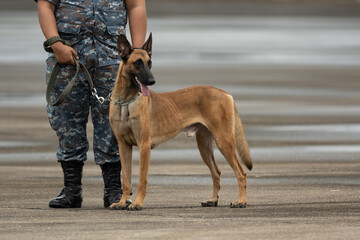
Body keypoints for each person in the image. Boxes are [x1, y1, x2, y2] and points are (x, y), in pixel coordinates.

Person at [35, 0, 147, 208]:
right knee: (66, 122)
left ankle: (114, 190)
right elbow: (45, 5)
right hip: (68, 60)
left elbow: (136, 6)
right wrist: (56, 44)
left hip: (112, 61)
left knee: (114, 124)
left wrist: (137, 51)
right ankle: (71, 190)